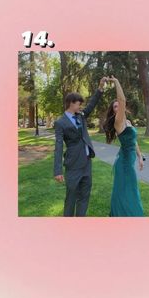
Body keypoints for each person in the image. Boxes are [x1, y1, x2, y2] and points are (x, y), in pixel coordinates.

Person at [54, 77, 107, 216]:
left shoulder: (81, 116)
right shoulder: (60, 123)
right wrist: (58, 170)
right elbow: (59, 146)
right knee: (71, 197)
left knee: (84, 196)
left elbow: (92, 104)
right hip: (73, 165)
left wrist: (100, 88)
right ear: (71, 103)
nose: (81, 107)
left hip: (86, 162)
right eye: (78, 104)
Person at [103, 76, 144, 216]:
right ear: (114, 110)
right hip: (124, 163)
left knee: (128, 188)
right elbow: (122, 100)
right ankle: (123, 215)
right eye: (115, 106)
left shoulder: (128, 123)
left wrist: (140, 157)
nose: (118, 107)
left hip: (129, 158)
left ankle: (122, 214)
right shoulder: (118, 122)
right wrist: (116, 81)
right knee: (126, 189)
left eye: (118, 105)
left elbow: (134, 141)